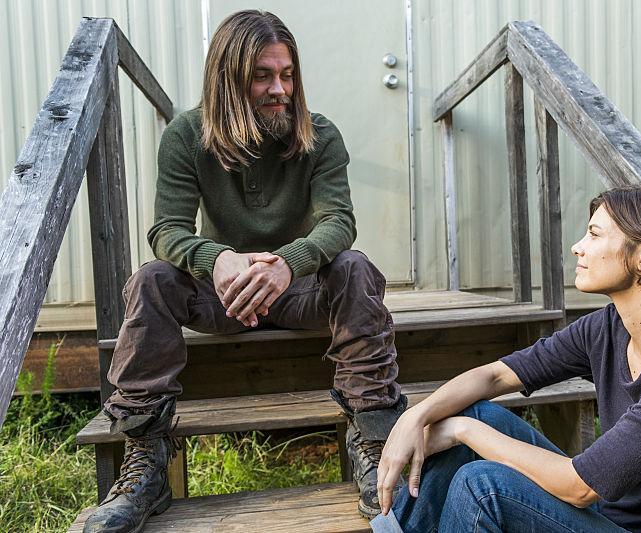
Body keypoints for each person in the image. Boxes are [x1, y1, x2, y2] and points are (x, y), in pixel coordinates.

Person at [82, 10, 405, 533]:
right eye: (262, 76)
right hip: (225, 297)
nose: (280, 89)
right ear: (227, 78)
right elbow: (167, 230)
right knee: (152, 279)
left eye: (287, 74)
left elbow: (339, 222)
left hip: (299, 294)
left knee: (354, 268)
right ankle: (146, 460)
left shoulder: (321, 135)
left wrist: (288, 264)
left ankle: (373, 436)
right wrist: (218, 260)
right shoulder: (187, 135)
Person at [374, 186, 641, 533]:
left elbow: (579, 487)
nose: (578, 247)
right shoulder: (609, 326)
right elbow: (496, 376)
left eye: (594, 234)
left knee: (484, 486)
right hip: (615, 515)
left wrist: (463, 430)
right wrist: (416, 416)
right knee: (477, 412)